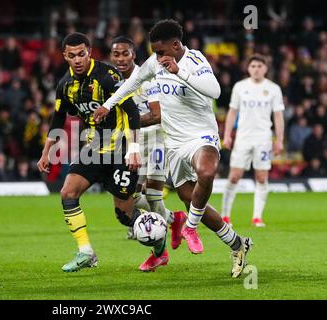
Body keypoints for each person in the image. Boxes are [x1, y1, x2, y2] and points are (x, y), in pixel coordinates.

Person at [94, 19, 253, 278]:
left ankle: (189, 227)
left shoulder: (196, 61)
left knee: (207, 171)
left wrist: (180, 71)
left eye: (161, 51)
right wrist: (108, 106)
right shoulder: (154, 63)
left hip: (202, 135)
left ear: (176, 45)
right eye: (155, 52)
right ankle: (237, 243)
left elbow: (215, 91)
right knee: (190, 198)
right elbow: (131, 84)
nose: (157, 56)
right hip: (174, 143)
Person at [37, 32, 166, 273]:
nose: (78, 60)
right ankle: (86, 252)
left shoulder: (107, 76)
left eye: (82, 54)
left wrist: (135, 150)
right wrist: (46, 153)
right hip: (94, 149)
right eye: (72, 55)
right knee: (67, 192)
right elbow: (57, 120)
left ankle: (159, 243)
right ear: (65, 56)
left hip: (121, 151)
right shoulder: (65, 85)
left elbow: (132, 112)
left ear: (89, 52)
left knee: (125, 215)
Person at [110, 36, 186, 260]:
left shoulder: (146, 78)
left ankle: (158, 252)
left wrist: (127, 122)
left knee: (153, 194)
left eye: (126, 54)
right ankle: (174, 219)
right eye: (117, 54)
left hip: (155, 138)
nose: (121, 58)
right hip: (130, 140)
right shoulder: (110, 80)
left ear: (134, 55)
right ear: (111, 56)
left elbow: (156, 115)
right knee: (129, 195)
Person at [222, 54, 285, 227]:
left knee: (262, 177)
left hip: (263, 138)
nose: (256, 69)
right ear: (248, 68)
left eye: (259, 66)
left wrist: (279, 140)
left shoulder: (273, 89)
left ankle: (257, 217)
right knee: (234, 176)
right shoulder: (240, 87)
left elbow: (278, 116)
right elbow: (232, 112)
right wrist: (227, 135)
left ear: (265, 68)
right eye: (253, 66)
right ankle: (225, 216)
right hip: (243, 137)